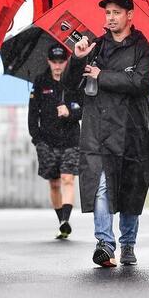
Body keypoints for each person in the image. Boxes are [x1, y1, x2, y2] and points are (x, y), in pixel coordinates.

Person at [62, 0, 149, 267]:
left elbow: (141, 84)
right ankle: (105, 243)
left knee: (130, 189)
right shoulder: (95, 45)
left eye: (117, 12)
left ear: (130, 15)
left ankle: (128, 244)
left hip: (133, 130)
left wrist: (102, 75)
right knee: (101, 188)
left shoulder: (144, 49)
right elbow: (71, 85)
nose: (111, 17)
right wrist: (78, 59)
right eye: (108, 12)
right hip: (98, 130)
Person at [28, 45, 83, 239]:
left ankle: (66, 220)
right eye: (54, 62)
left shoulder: (75, 82)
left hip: (71, 140)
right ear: (49, 61)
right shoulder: (40, 81)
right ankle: (61, 221)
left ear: (66, 61)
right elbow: (33, 114)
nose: (58, 66)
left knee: (68, 178)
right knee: (54, 183)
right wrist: (37, 140)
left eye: (61, 62)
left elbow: (83, 110)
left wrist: (70, 113)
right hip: (47, 141)